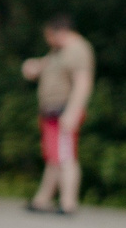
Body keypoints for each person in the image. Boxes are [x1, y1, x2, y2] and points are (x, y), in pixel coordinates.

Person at [21, 13, 94, 215]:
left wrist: (72, 112)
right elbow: (43, 67)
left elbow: (83, 83)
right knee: (55, 157)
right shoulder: (58, 51)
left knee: (65, 157)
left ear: (61, 32)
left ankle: (68, 202)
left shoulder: (78, 50)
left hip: (63, 112)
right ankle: (42, 200)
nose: (48, 41)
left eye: (49, 36)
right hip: (51, 111)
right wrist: (33, 67)